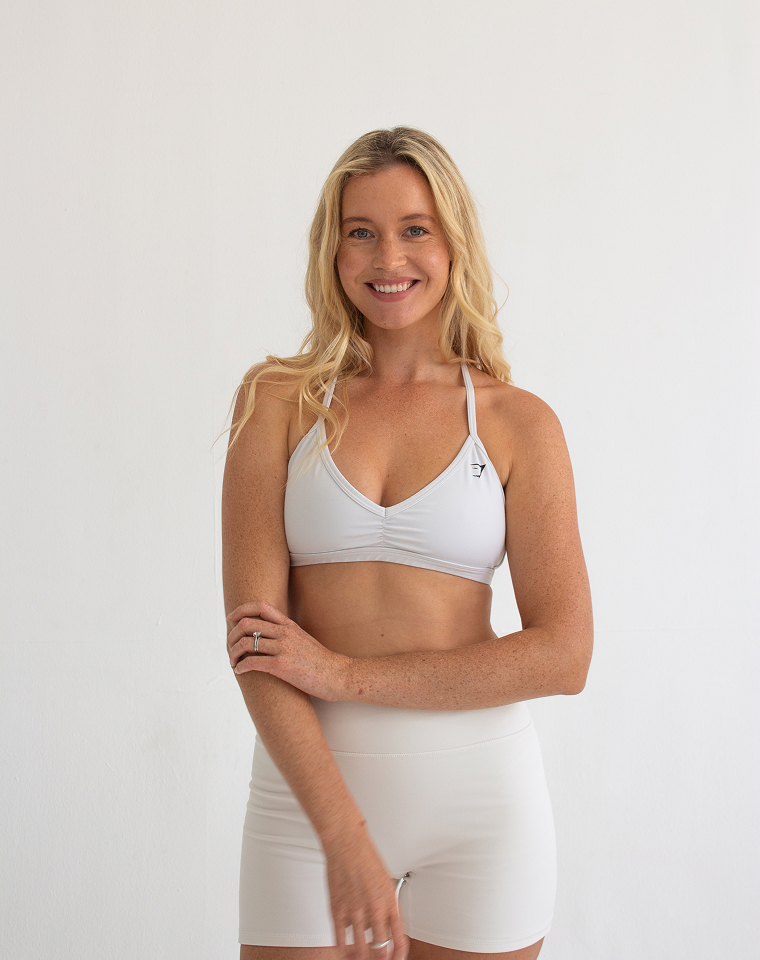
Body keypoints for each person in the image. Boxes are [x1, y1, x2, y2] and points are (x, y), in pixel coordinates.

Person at [222, 126, 593, 960]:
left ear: (453, 240)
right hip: (306, 805)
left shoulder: (516, 423)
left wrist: (341, 673)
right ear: (333, 248)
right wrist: (343, 835)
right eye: (362, 230)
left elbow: (565, 654)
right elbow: (254, 642)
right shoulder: (278, 402)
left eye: (415, 228)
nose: (388, 256)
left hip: (483, 811)